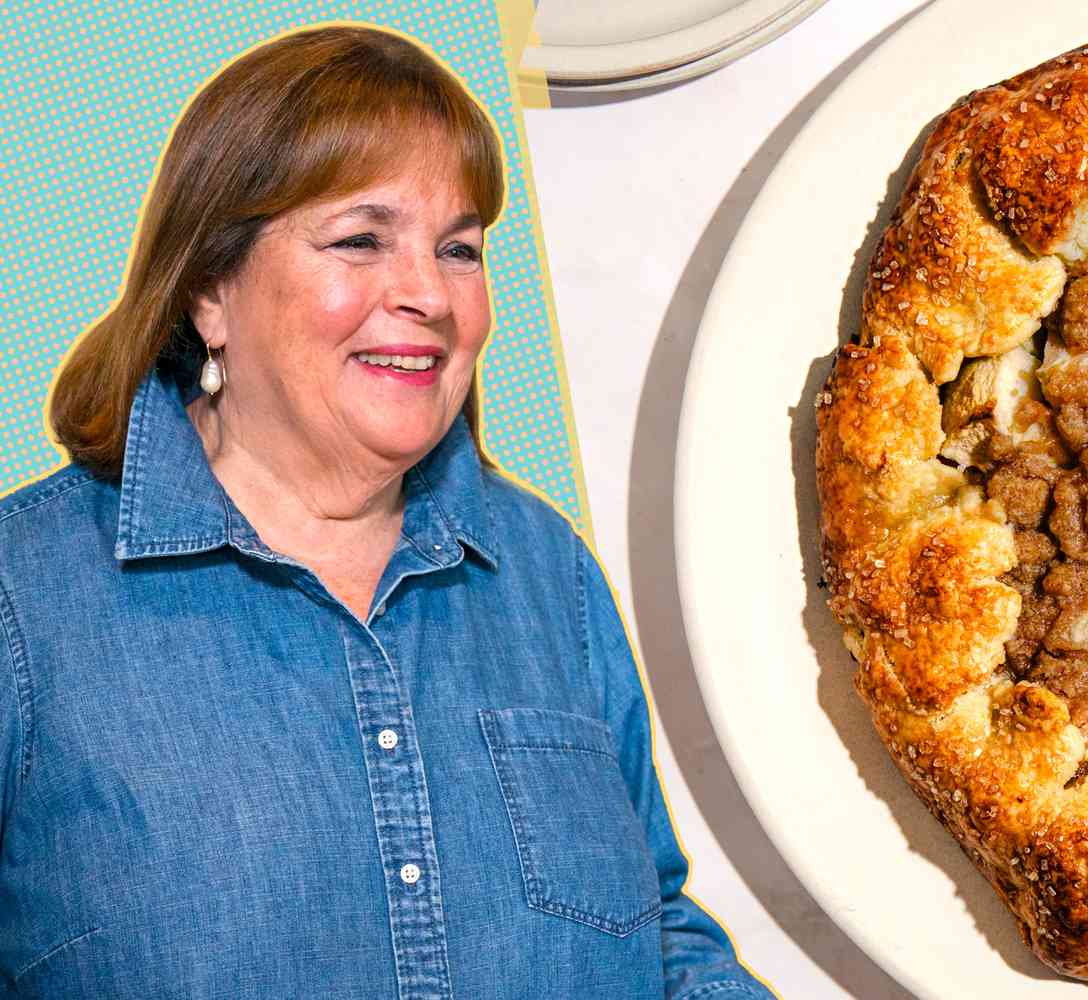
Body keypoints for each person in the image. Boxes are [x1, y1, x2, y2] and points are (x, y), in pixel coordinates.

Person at [0, 25, 773, 1000]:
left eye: (459, 249)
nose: (429, 295)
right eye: (361, 239)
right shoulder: (23, 598)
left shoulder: (548, 572)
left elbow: (657, 932)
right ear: (209, 290)